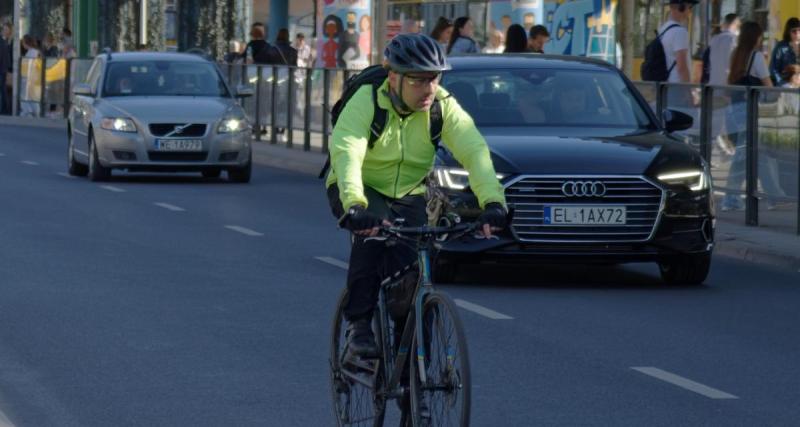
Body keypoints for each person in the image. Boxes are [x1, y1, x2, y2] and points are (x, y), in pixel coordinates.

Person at [325, 33, 507, 357]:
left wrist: (493, 202)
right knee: (373, 238)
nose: (428, 89)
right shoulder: (367, 102)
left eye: (434, 79)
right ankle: (359, 328)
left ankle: (410, 374)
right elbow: (347, 152)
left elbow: (475, 151)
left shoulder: (441, 106)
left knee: (410, 276)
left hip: (409, 189)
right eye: (418, 80)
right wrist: (354, 205)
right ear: (393, 76)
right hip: (358, 186)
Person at [721, 21, 784, 212]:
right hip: (751, 110)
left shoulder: (736, 55)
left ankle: (774, 195)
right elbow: (768, 86)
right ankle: (731, 199)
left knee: (759, 154)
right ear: (755, 37)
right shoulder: (756, 57)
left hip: (735, 109)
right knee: (743, 156)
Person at [659, 0, 697, 84]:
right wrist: (688, 89)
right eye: (689, 7)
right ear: (681, 8)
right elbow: (681, 67)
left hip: (664, 84)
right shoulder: (680, 32)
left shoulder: (663, 29)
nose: (690, 12)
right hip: (677, 85)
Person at [706, 14, 740, 85]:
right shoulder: (734, 39)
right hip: (727, 83)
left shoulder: (714, 39)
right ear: (735, 24)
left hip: (713, 82)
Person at [769, 17, 800, 86]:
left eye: (799, 30)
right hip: (785, 86)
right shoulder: (780, 47)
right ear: (788, 32)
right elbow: (773, 69)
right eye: (794, 31)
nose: (797, 33)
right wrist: (782, 83)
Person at [20, 34, 41, 117]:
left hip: (29, 78)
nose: (22, 45)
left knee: (24, 95)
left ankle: (27, 111)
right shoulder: (35, 52)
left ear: (26, 43)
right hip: (34, 78)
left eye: (23, 43)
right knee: (32, 96)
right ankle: (35, 111)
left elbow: (29, 66)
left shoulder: (31, 53)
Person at [0, 22, 11, 115]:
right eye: (5, 30)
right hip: (2, 69)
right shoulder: (2, 41)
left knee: (3, 89)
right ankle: (4, 109)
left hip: (4, 69)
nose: (6, 32)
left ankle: (5, 109)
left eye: (7, 30)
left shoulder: (6, 41)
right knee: (2, 89)